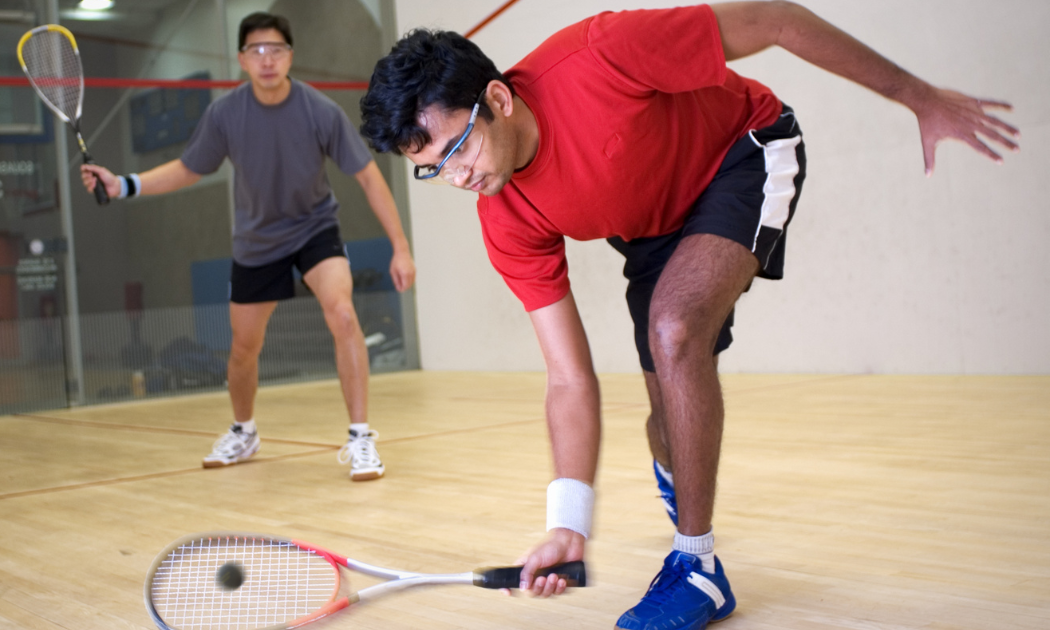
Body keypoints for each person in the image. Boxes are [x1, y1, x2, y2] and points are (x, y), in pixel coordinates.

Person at [359, 2, 1016, 627]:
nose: (456, 176)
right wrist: (569, 523)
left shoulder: (602, 53)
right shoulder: (504, 218)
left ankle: (697, 567)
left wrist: (918, 96)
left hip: (746, 152)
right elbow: (567, 378)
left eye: (458, 149)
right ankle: (681, 472)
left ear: (497, 100)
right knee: (668, 417)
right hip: (653, 230)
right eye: (432, 168)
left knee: (673, 330)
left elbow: (778, 19)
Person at [83, 12, 416, 481]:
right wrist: (125, 184)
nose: (267, 60)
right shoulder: (224, 114)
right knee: (243, 347)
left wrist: (400, 246)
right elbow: (188, 168)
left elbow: (367, 176)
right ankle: (244, 431)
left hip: (316, 229)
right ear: (242, 59)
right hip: (258, 242)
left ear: (290, 57)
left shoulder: (320, 111)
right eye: (257, 51)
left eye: (276, 50)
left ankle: (361, 437)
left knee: (342, 314)